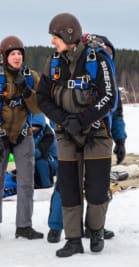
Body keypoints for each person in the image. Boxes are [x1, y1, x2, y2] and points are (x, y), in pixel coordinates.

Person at [37, 13, 118, 257]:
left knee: (96, 189)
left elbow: (109, 97)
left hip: (97, 134)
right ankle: (73, 239)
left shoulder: (98, 59)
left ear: (68, 35)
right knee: (69, 189)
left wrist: (82, 120)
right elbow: (42, 97)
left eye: (55, 37)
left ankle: (95, 231)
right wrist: (64, 120)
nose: (53, 42)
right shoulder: (53, 63)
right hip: (66, 135)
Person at [0, 35, 43, 242]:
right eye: (12, 54)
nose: (16, 57)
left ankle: (24, 226)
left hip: (23, 135)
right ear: (4, 56)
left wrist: (26, 90)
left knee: (26, 182)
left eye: (19, 54)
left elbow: (38, 108)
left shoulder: (31, 77)